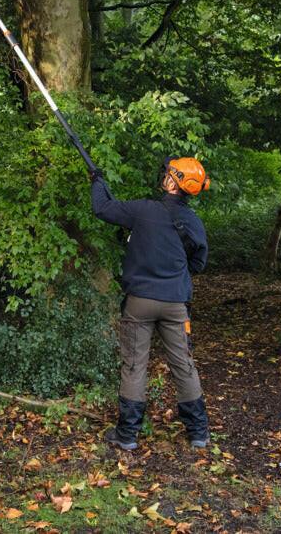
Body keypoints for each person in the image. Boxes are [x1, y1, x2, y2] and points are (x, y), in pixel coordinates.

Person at [90, 156, 211, 450]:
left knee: (134, 365)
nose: (164, 176)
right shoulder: (192, 221)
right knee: (183, 364)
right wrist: (176, 278)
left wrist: (96, 182)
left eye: (169, 174)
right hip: (175, 303)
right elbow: (199, 260)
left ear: (173, 182)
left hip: (139, 302)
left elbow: (103, 208)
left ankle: (128, 435)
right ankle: (198, 433)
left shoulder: (143, 211)